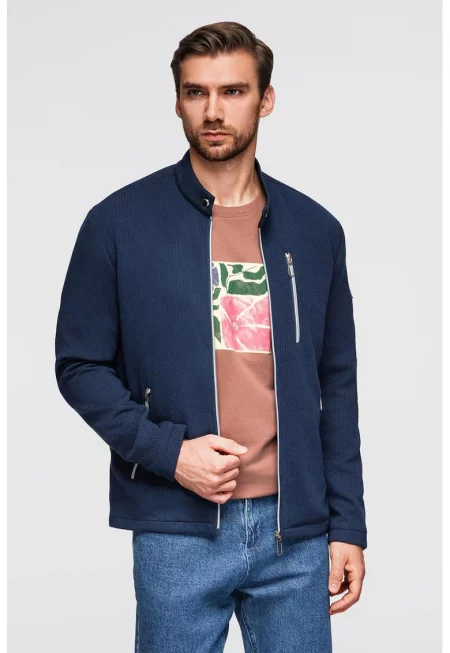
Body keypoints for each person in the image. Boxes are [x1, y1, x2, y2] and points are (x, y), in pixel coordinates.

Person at [55, 20, 367, 653]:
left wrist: (348, 525)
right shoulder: (119, 223)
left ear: (266, 99)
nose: (214, 111)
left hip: (295, 530)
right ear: (177, 102)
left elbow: (335, 384)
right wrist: (169, 453)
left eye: (233, 91)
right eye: (196, 92)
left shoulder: (314, 230)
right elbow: (79, 365)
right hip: (178, 528)